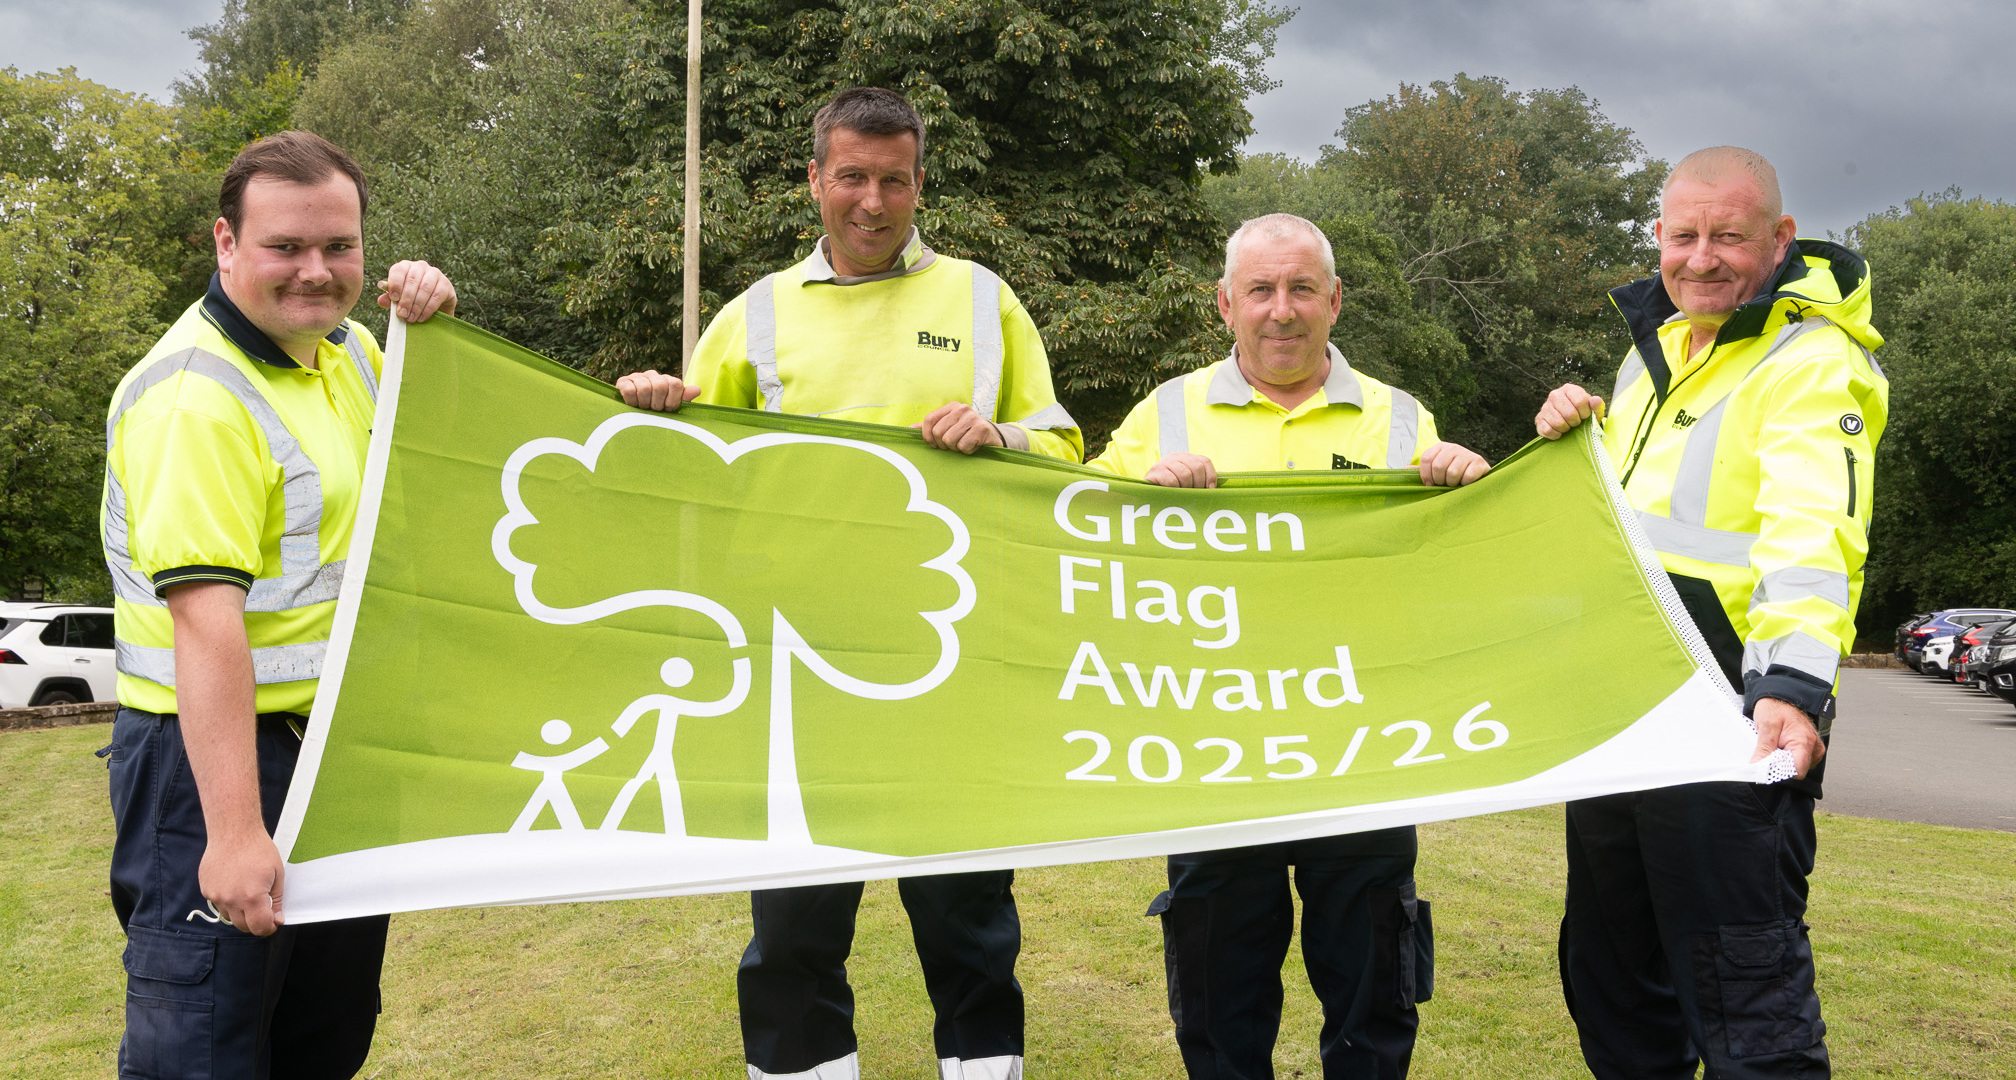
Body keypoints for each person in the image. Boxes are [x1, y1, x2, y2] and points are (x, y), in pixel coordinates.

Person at [615, 85, 1081, 1080]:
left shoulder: (983, 300)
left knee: (966, 915)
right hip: (795, 665)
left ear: (920, 183)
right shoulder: (754, 318)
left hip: (954, 661)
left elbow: (1063, 450)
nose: (873, 202)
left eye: (895, 180)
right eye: (852, 179)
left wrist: (1000, 433)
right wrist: (653, 411)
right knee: (793, 921)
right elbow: (691, 473)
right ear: (814, 180)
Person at [1091, 212, 1490, 1080]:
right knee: (1218, 987)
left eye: (1302, 288)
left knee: (1371, 986)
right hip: (1214, 747)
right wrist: (1147, 502)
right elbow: (1081, 550)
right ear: (1225, 303)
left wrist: (1464, 488)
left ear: (1335, 301)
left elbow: (1444, 567)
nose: (1282, 310)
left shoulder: (1399, 419)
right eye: (1262, 290)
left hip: (1360, 740)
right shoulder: (1162, 416)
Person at [101, 130, 457, 1079]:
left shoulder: (344, 356)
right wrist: (233, 833)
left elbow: (436, 434)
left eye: (339, 246)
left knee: (323, 1033)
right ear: (226, 244)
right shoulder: (196, 398)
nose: (316, 270)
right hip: (213, 763)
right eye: (285, 247)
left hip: (328, 749)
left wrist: (433, 312)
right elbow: (205, 621)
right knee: (203, 1047)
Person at [1533, 146, 1886, 1079]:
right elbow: (1652, 516)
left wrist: (1795, 688)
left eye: (1727, 236)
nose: (1701, 257)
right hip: (1627, 707)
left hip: (1735, 715)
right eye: (1683, 235)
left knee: (1743, 992)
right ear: (1657, 237)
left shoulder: (1809, 359)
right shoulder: (1657, 352)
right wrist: (1584, 429)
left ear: (1778, 238)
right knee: (1612, 976)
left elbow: (1813, 532)